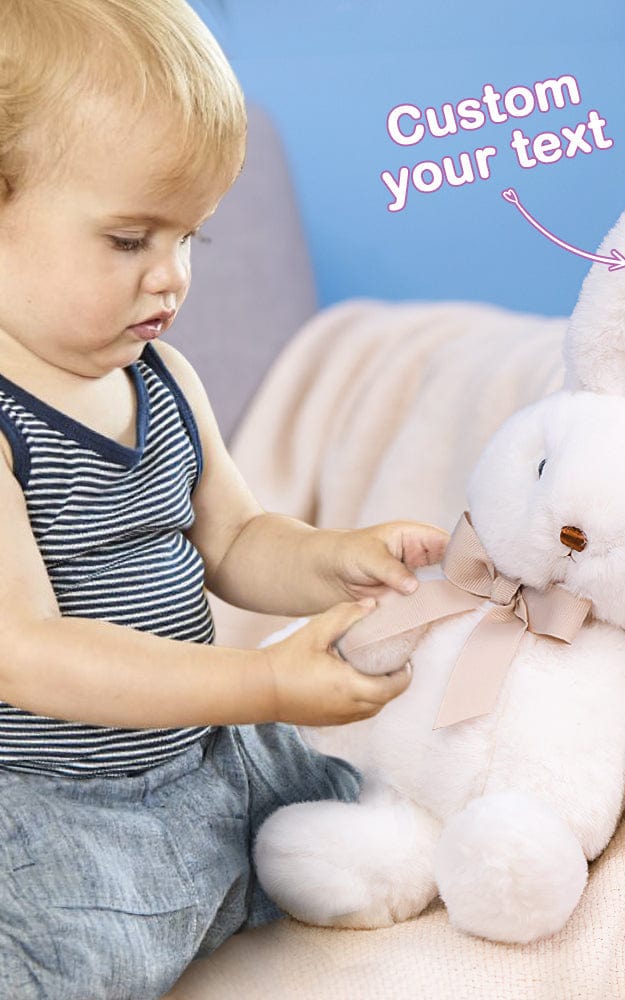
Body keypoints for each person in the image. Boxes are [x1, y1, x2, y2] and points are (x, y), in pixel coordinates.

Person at [0, 2, 449, 996]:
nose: (171, 277)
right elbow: (25, 653)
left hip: (211, 755)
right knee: (62, 944)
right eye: (128, 240)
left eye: (191, 237)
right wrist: (263, 684)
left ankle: (247, 865)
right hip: (57, 801)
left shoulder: (160, 376)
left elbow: (237, 539)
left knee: (369, 806)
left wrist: (335, 558)